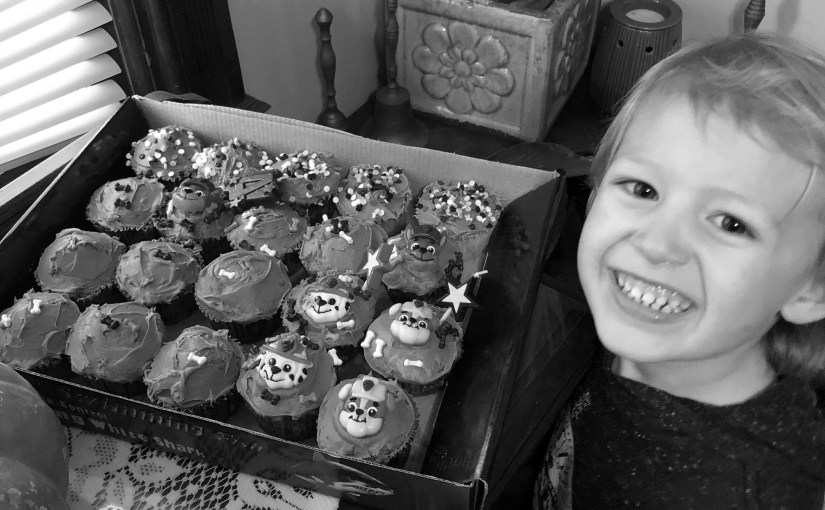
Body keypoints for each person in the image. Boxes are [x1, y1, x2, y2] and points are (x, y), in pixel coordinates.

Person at [534, 32, 825, 509]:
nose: (657, 244)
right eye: (643, 189)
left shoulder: (741, 493)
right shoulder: (650, 328)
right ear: (595, 190)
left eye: (731, 224)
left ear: (812, 289)